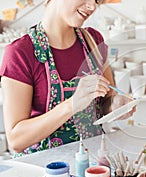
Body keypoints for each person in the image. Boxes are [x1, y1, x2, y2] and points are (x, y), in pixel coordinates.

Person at [0, 0, 133, 156]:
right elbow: (16, 140)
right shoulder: (21, 53)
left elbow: (105, 102)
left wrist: (114, 105)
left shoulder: (94, 41)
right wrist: (71, 105)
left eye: (97, 1)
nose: (92, 7)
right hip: (48, 173)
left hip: (94, 164)